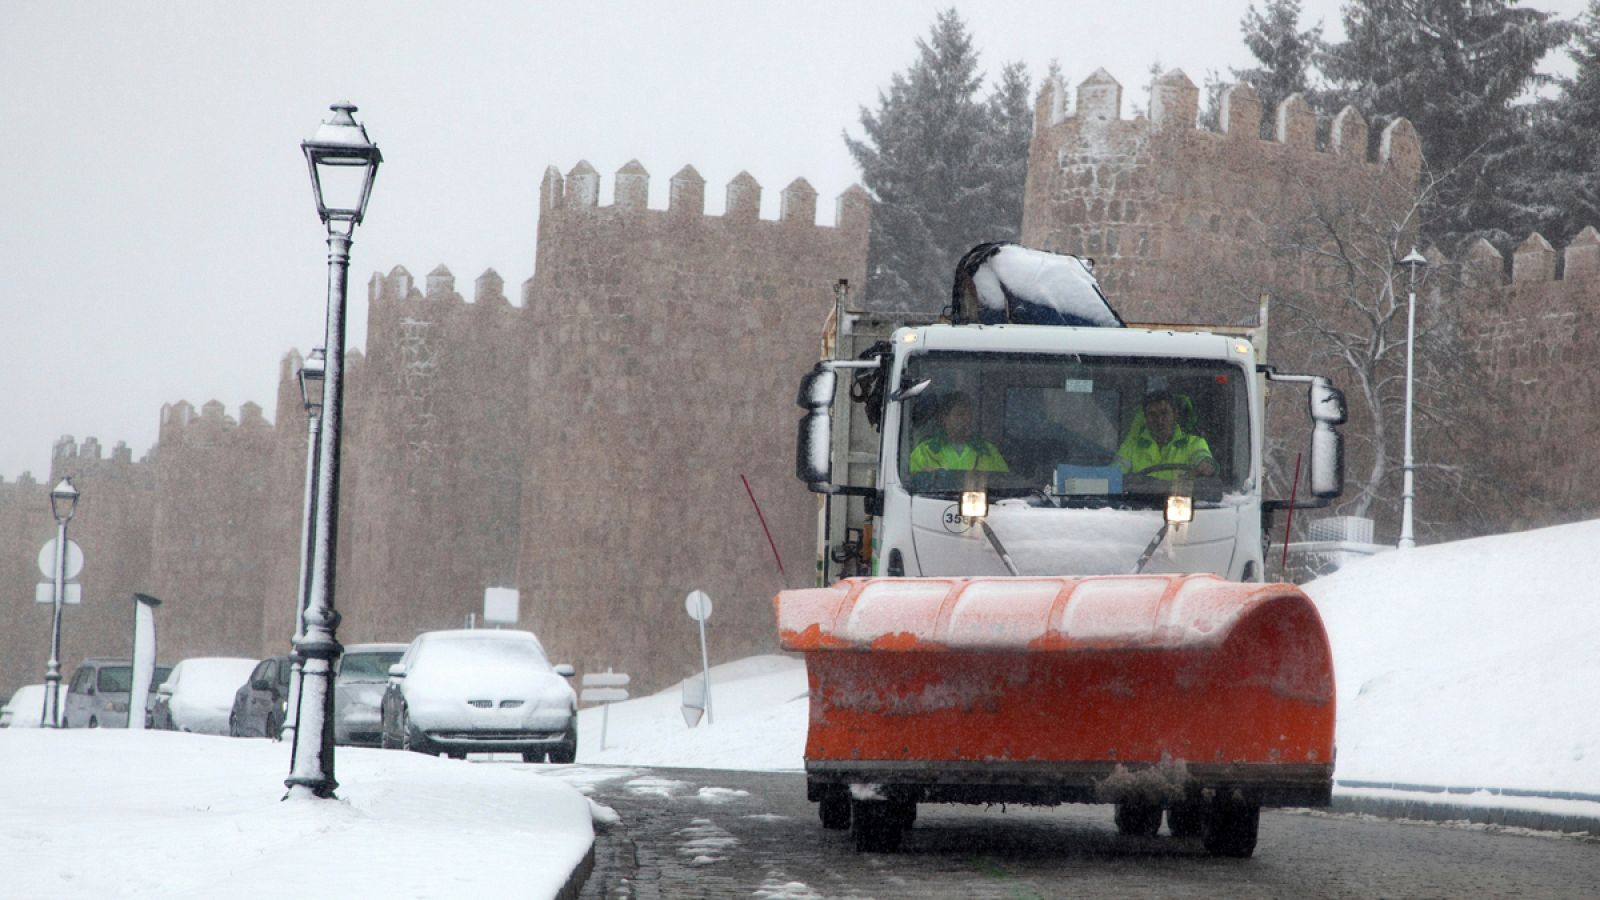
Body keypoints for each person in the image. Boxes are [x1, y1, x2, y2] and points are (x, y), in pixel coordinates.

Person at [1114, 390, 1216, 480]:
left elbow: (1203, 458)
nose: (1159, 420)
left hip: (1182, 500)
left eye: (1164, 413)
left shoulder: (1194, 444)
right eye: (1152, 414)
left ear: (1175, 415)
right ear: (1145, 418)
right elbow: (1113, 474)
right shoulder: (1131, 447)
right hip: (1137, 501)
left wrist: (1205, 465)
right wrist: (1099, 483)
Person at [908, 393, 1008, 473]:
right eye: (960, 414)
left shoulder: (988, 451)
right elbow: (910, 485)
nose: (966, 419)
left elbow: (1003, 485)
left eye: (969, 414)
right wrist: (927, 478)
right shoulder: (924, 452)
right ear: (945, 418)